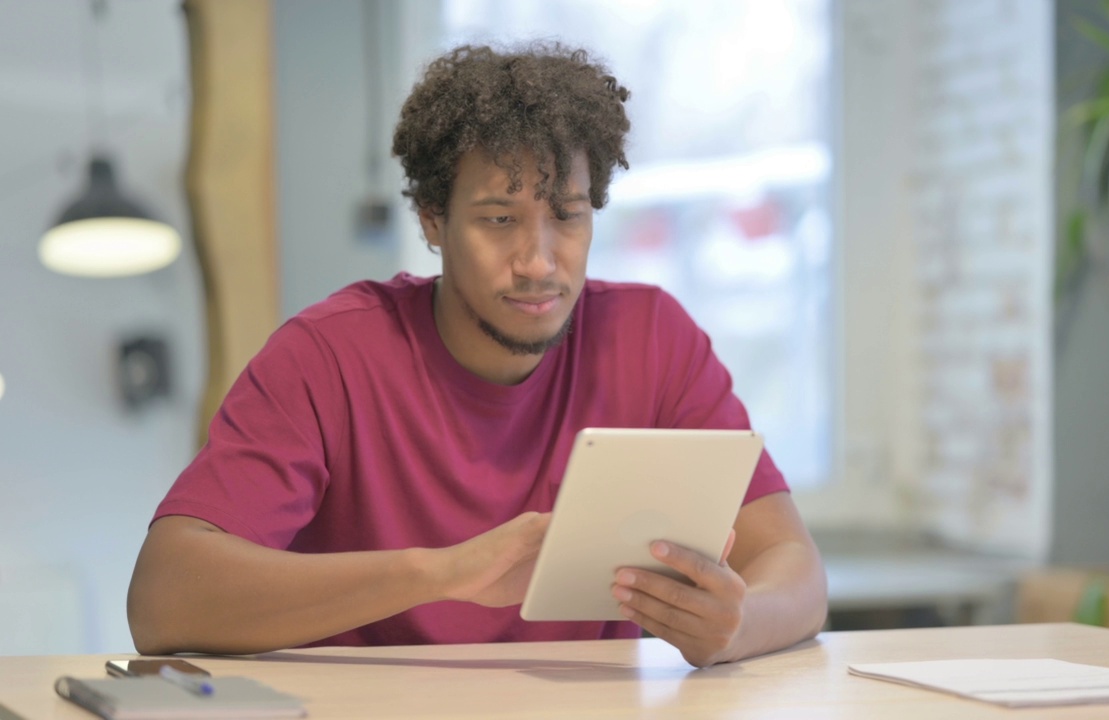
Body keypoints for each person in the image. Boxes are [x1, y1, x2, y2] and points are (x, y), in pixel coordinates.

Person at [127, 42, 827, 668]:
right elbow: (164, 599)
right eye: (499, 219)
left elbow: (793, 568)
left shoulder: (652, 339)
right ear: (434, 219)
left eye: (568, 216)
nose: (538, 262)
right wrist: (443, 574)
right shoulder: (328, 356)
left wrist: (738, 624)